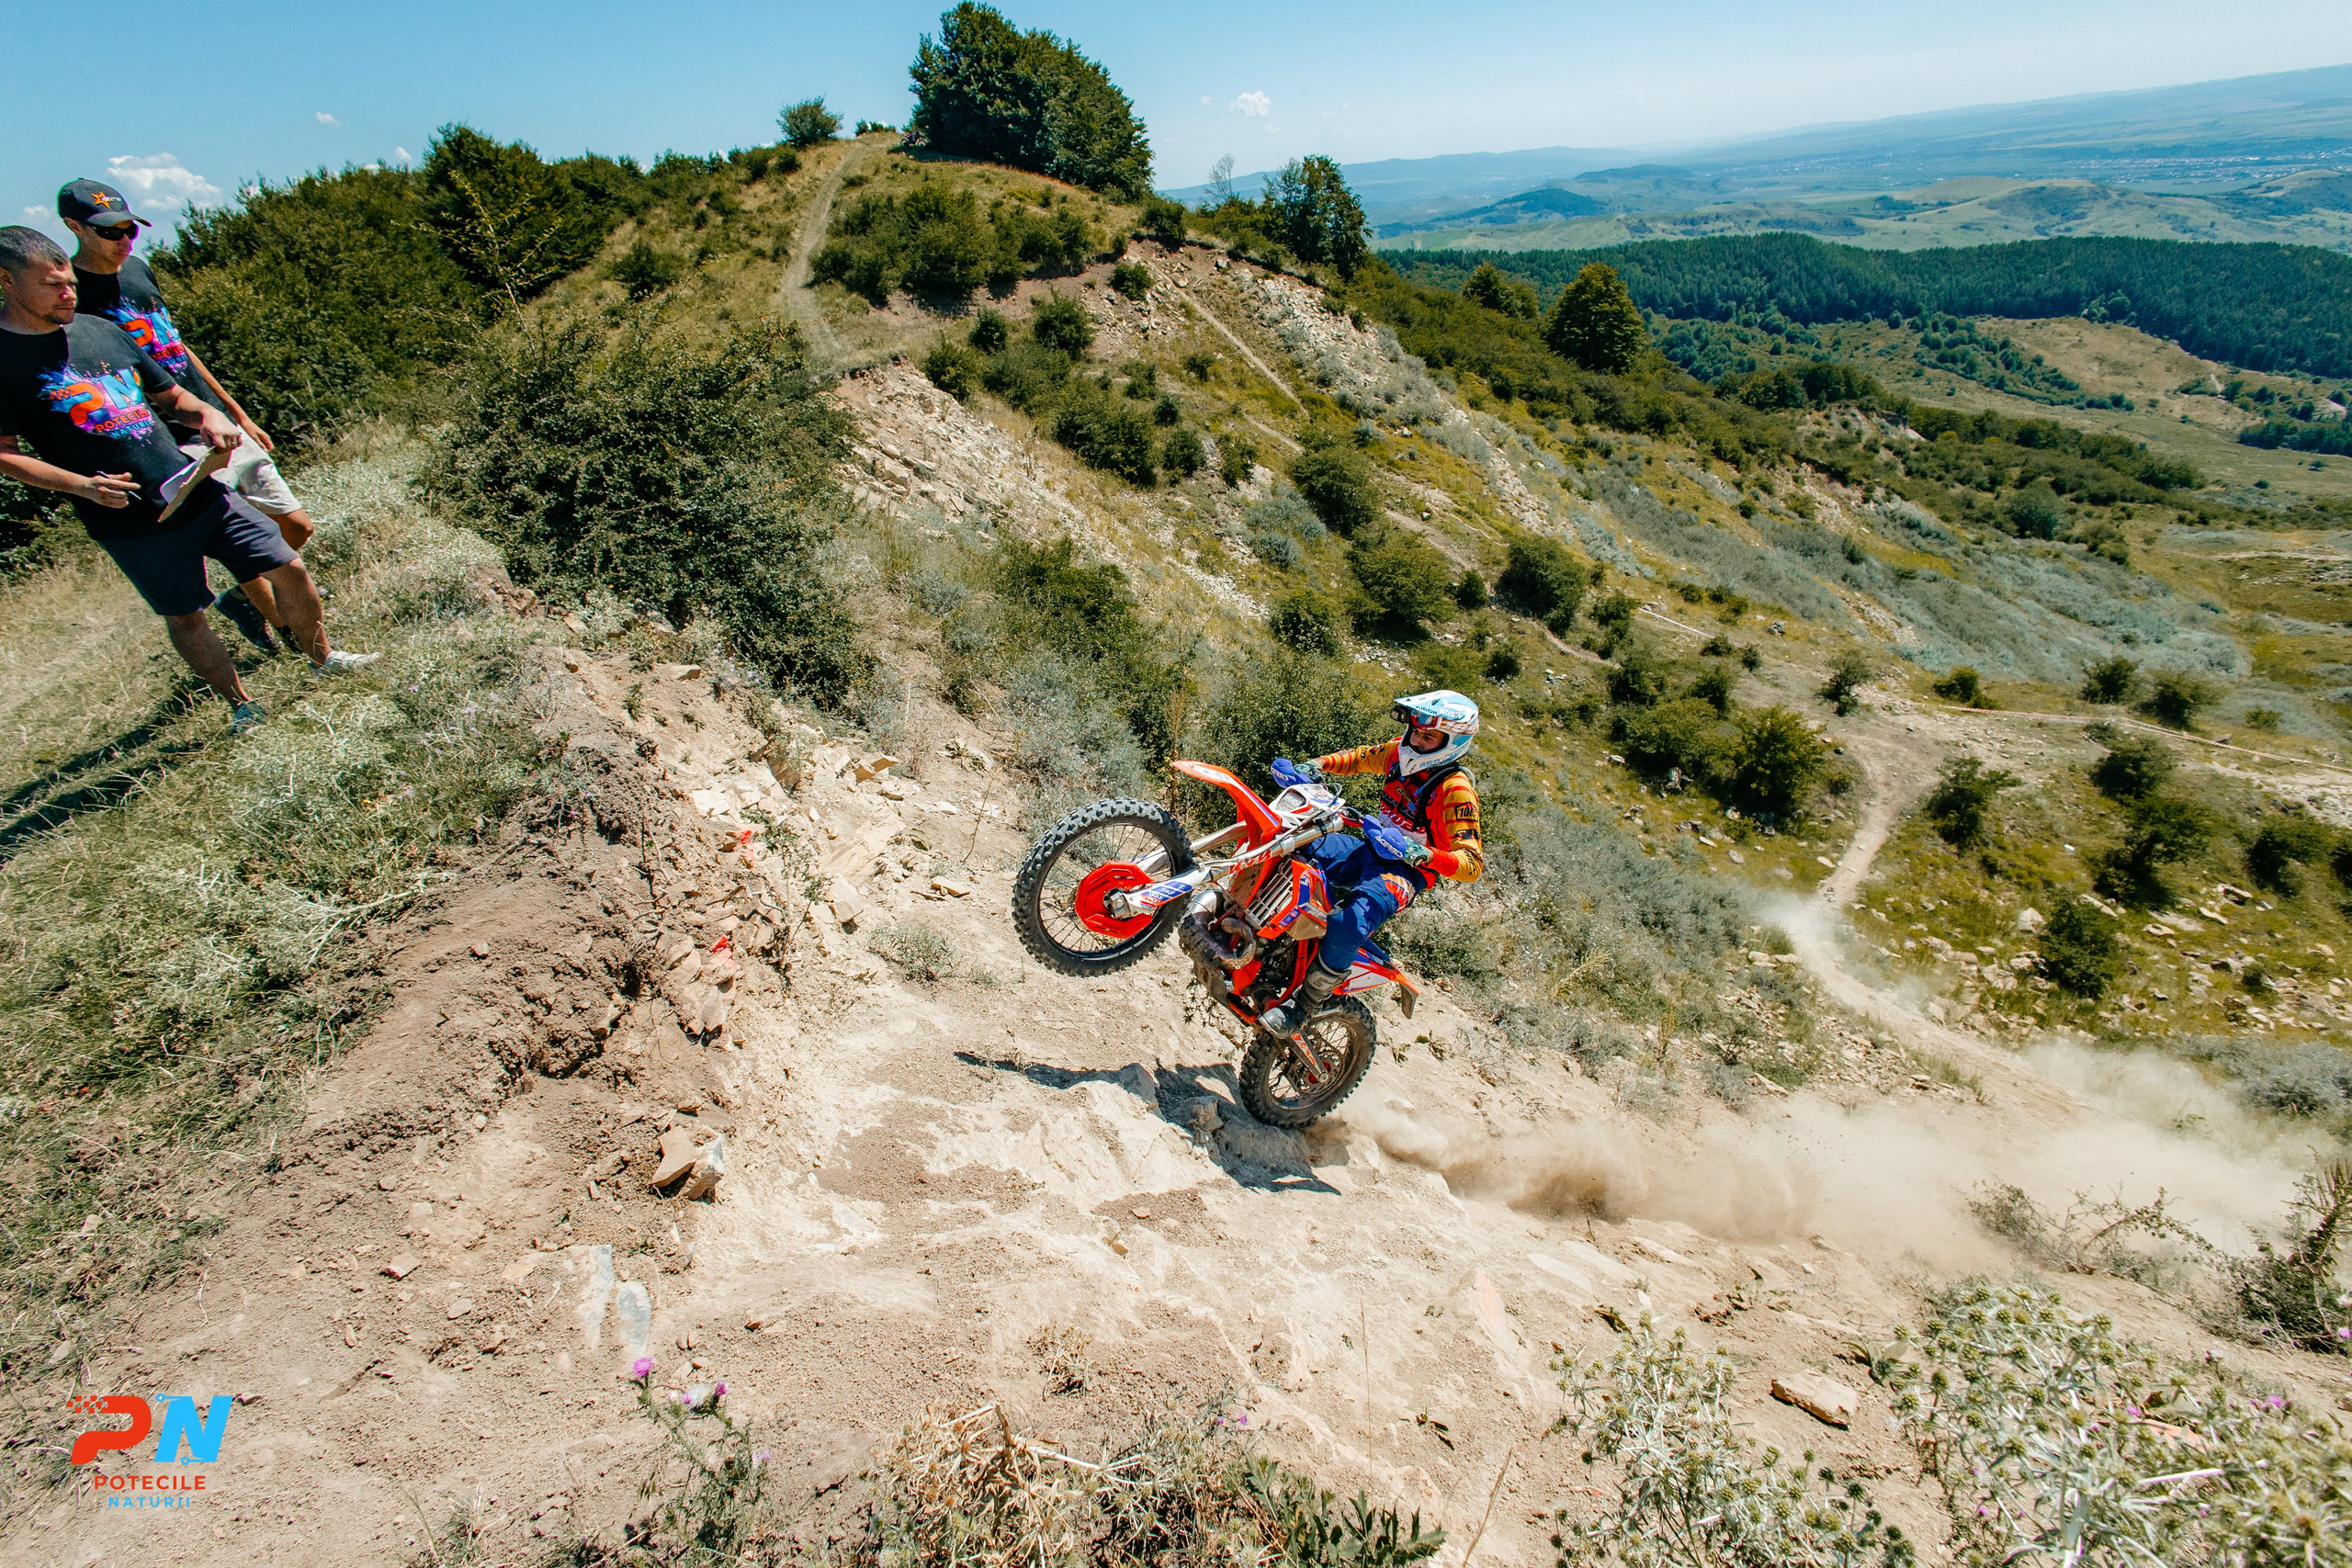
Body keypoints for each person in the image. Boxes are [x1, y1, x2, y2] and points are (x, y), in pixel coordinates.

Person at [0, 227, 373, 734]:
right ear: (6, 282)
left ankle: (324, 659)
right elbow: (5, 456)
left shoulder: (100, 330)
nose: (69, 293)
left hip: (193, 485)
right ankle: (242, 705)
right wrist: (80, 485)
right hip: (127, 520)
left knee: (289, 564)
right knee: (186, 616)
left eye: (69, 282)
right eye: (53, 285)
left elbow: (171, 395)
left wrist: (209, 416)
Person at [59, 178, 314, 654]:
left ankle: (240, 601)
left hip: (210, 418)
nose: (124, 242)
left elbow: (175, 346)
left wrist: (233, 409)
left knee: (296, 525)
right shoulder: (71, 301)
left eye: (129, 230)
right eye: (109, 233)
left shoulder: (137, 270)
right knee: (233, 531)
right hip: (165, 437)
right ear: (74, 227)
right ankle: (277, 621)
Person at [1258, 689, 1485, 1036]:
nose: (1418, 741)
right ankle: (1262, 943)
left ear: (1452, 742)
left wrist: (1417, 853)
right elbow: (1359, 758)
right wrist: (1315, 766)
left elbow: (1471, 863)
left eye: (1429, 737)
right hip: (1368, 849)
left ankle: (1303, 1009)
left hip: (1405, 872)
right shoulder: (1398, 752)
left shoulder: (1455, 790)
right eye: (1416, 731)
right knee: (1291, 846)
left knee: (1350, 921)